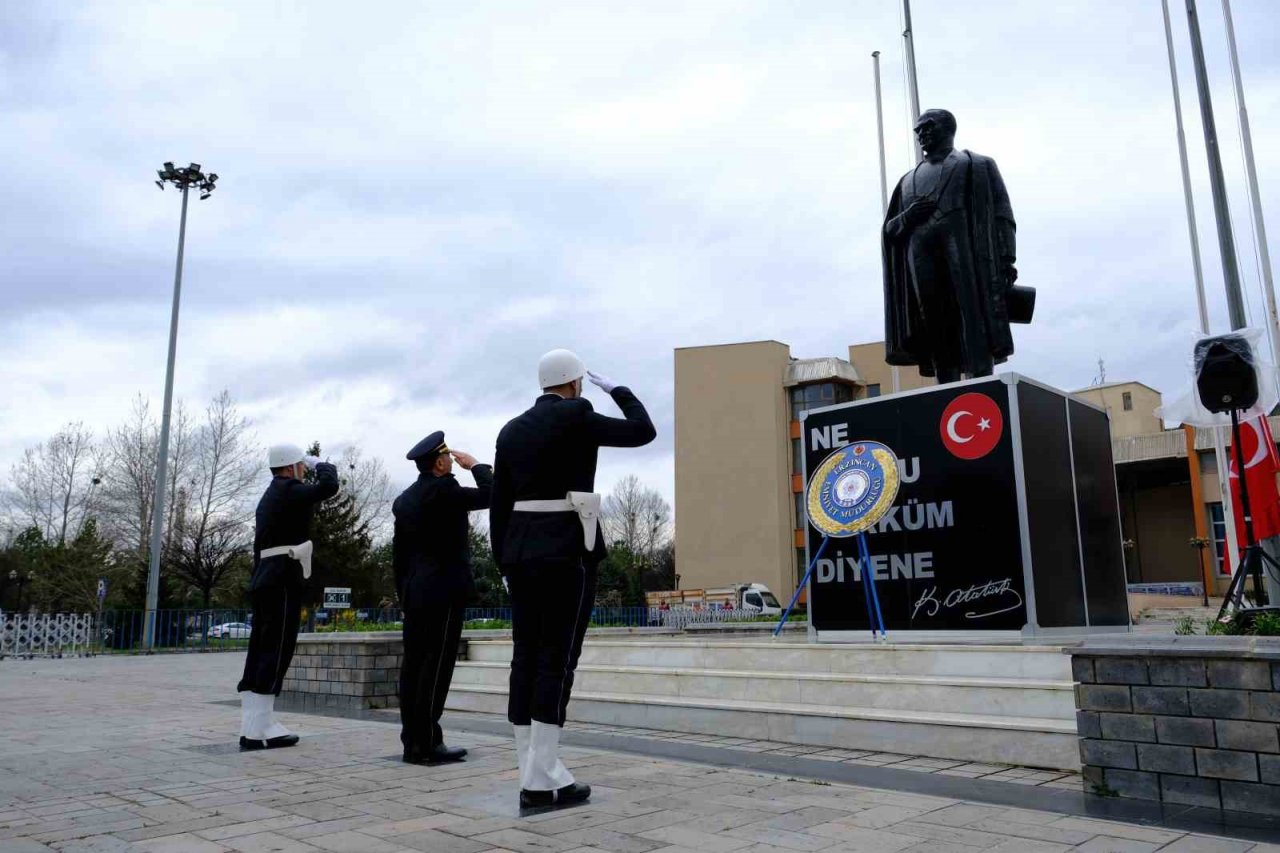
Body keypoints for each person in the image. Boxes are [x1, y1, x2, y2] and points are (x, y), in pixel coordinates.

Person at [491, 349, 656, 809]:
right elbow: (643, 431)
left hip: (520, 552)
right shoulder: (578, 415)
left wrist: (504, 562)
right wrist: (619, 391)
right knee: (557, 660)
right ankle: (540, 777)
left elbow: (500, 504)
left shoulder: (510, 429)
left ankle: (536, 768)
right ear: (575, 382)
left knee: (525, 658)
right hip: (565, 550)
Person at [882, 108, 1033, 383]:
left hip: (969, 254)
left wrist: (1006, 259)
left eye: (927, 126)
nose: (920, 133)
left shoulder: (977, 165)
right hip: (922, 260)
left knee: (974, 314)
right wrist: (907, 217)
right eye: (918, 129)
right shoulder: (906, 181)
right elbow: (890, 230)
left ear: (947, 127)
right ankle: (946, 385)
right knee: (934, 322)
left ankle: (981, 380)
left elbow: (1002, 214)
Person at [393, 431, 493, 764]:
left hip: (415, 593)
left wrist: (404, 596)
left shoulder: (405, 500)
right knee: (436, 667)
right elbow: (493, 494)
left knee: (413, 667)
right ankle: (426, 744)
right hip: (444, 592)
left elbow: (399, 556)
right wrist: (476, 466)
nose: (451, 461)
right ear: (439, 463)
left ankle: (413, 740)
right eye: (447, 457)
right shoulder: (445, 490)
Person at [237, 444, 339, 750]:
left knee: (263, 649)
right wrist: (321, 464)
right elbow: (329, 487)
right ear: (291, 466)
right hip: (281, 578)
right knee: (277, 648)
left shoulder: (273, 494)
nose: (304, 470)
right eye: (301, 465)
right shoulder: (287, 488)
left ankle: (254, 725)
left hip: (267, 577)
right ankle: (259, 728)